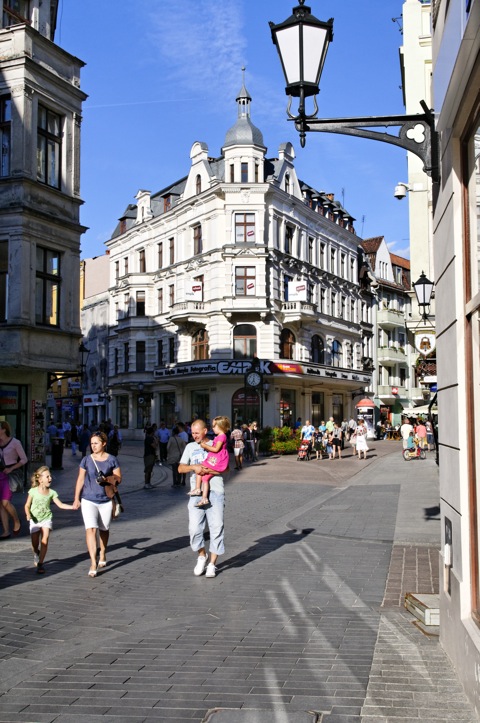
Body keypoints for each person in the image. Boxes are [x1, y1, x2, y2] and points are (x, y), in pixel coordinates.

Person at [178, 419, 226, 579]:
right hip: (196, 493)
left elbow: (226, 469)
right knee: (194, 529)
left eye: (197, 432)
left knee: (217, 528)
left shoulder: (217, 444)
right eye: (192, 433)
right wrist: (194, 467)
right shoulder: (190, 447)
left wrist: (209, 471)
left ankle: (212, 564)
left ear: (205, 431)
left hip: (216, 491)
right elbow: (180, 468)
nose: (194, 435)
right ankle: (201, 555)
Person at [73, 431, 121, 577]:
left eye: (96, 443)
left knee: (104, 529)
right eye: (92, 443)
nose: (93, 446)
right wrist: (76, 498)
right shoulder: (86, 460)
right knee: (91, 529)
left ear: (104, 444)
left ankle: (103, 552)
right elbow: (80, 479)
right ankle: (93, 562)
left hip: (105, 499)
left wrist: (106, 479)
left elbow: (118, 478)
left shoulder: (112, 459)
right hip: (88, 499)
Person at [24, 466, 74, 574]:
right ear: (40, 479)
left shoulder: (52, 492)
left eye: (50, 476)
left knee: (44, 540)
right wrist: (28, 514)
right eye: (47, 476)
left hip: (46, 518)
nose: (50, 478)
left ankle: (40, 564)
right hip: (34, 519)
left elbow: (60, 505)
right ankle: (36, 553)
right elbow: (27, 505)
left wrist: (72, 507)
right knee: (34, 542)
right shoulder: (33, 491)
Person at [188, 416, 230, 507]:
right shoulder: (220, 436)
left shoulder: (221, 436)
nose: (213, 428)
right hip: (216, 459)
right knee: (205, 478)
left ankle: (198, 488)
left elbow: (216, 449)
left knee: (200, 468)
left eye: (214, 426)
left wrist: (205, 446)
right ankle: (204, 498)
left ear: (220, 426)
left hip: (216, 459)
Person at [0, 421, 27, 539]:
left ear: (4, 430)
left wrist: (11, 468)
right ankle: (6, 531)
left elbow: (24, 459)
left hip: (9, 475)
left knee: (5, 502)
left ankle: (16, 520)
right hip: (0, 474)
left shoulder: (15, 442)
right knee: (1, 504)